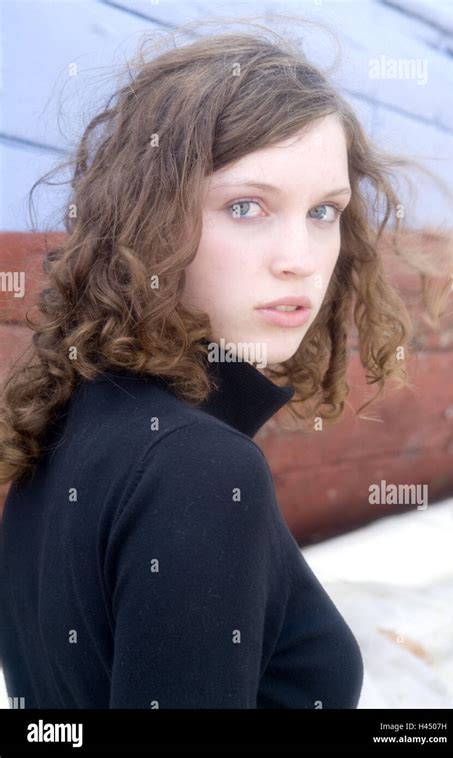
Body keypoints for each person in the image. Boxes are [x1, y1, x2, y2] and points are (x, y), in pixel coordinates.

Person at [0, 27, 420, 709]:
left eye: (324, 212)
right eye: (245, 206)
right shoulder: (199, 468)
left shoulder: (66, 417)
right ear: (151, 221)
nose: (300, 256)